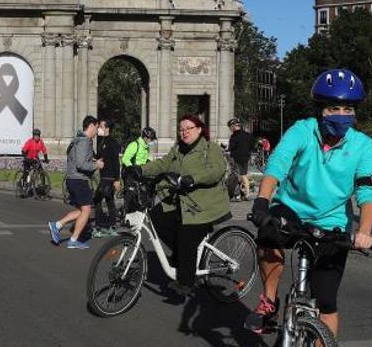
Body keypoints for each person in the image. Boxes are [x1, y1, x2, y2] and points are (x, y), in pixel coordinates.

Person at [245, 69, 372, 338]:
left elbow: (367, 191)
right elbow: (277, 165)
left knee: (326, 304)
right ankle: (269, 301)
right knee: (269, 234)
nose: (341, 114)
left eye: (347, 108)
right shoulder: (303, 130)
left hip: (332, 222)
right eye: (333, 108)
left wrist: (364, 232)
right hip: (291, 209)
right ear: (321, 110)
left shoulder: (364, 145)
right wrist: (261, 201)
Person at [125, 114, 230, 300]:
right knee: (156, 217)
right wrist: (140, 169)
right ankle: (182, 256)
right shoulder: (178, 149)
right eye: (181, 129)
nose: (184, 132)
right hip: (183, 202)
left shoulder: (210, 148)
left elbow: (216, 171)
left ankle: (186, 282)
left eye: (189, 128)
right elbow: (163, 164)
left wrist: (193, 178)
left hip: (205, 206)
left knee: (187, 235)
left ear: (199, 129)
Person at [48, 116, 104, 249]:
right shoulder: (84, 141)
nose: (97, 131)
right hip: (78, 180)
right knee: (87, 210)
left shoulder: (80, 140)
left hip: (74, 179)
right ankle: (73, 240)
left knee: (82, 210)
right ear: (91, 126)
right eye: (96, 128)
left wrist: (94, 161)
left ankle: (57, 225)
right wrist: (97, 165)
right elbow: (81, 164)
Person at [93, 120, 122, 238]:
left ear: (107, 128)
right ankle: (111, 225)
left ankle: (101, 225)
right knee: (109, 201)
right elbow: (99, 157)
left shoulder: (112, 142)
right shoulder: (102, 141)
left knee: (97, 199)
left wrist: (117, 179)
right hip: (103, 175)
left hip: (110, 177)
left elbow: (116, 161)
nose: (98, 128)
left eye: (100, 126)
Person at [227, 117, 253, 197]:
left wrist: (227, 149)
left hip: (237, 158)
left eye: (230, 127)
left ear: (233, 126)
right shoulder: (247, 135)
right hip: (246, 157)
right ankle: (246, 192)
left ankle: (242, 194)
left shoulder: (234, 136)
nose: (230, 129)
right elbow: (251, 145)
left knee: (239, 175)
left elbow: (231, 147)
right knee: (244, 175)